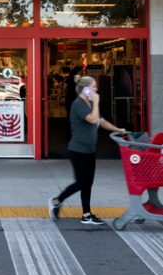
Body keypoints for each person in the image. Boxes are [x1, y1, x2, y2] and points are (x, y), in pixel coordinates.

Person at [48, 75, 126, 225]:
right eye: (94, 87)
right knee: (81, 182)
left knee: (88, 183)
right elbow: (91, 119)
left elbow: (100, 121)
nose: (96, 89)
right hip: (78, 150)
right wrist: (96, 102)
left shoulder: (89, 103)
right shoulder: (78, 104)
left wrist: (117, 129)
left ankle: (86, 214)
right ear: (85, 89)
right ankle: (57, 201)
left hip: (90, 150)